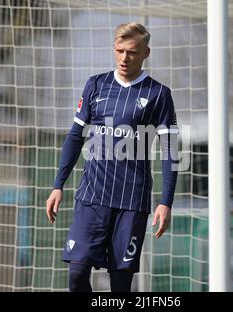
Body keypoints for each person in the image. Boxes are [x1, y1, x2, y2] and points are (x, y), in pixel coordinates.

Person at [45, 22, 178, 292]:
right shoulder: (96, 85)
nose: (124, 58)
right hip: (92, 198)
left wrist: (166, 202)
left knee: (120, 285)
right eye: (119, 51)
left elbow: (169, 150)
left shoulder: (159, 95)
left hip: (131, 203)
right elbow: (74, 136)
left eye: (131, 52)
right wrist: (58, 184)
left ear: (146, 53)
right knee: (77, 274)